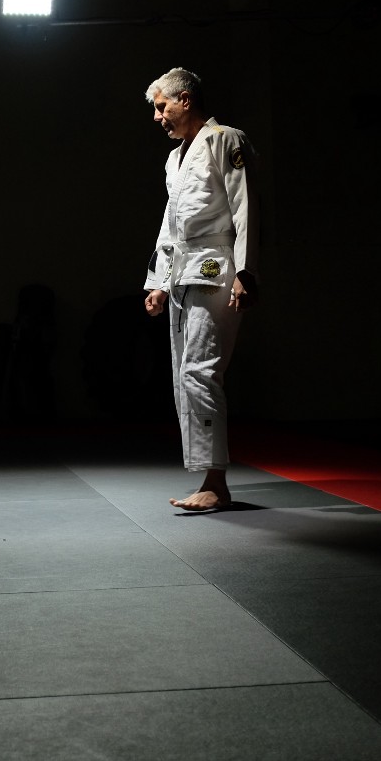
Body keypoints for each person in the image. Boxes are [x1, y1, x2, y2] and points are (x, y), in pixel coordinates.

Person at [143, 68, 259, 512]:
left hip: (217, 265)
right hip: (183, 272)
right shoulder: (175, 159)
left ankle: (216, 481)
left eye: (162, 107)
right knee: (185, 374)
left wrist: (246, 271)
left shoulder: (226, 140)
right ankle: (208, 477)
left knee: (201, 370)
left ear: (186, 100)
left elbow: (246, 206)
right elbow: (170, 226)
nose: (158, 117)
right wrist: (158, 282)